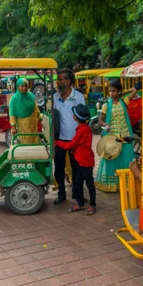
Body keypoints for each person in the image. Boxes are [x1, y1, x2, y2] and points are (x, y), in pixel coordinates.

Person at [96, 78, 137, 192]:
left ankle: (125, 185)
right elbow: (100, 121)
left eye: (114, 90)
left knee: (126, 158)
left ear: (118, 91)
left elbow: (134, 90)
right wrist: (105, 125)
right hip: (112, 136)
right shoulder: (106, 105)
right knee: (112, 158)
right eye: (110, 91)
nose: (111, 93)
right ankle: (111, 184)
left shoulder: (124, 101)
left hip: (124, 135)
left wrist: (122, 92)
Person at [55, 104, 96, 215]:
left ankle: (92, 205)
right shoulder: (83, 128)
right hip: (81, 160)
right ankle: (80, 203)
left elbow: (70, 145)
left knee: (89, 183)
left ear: (75, 117)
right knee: (77, 182)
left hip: (85, 162)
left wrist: (56, 142)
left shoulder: (82, 130)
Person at [53, 69, 86, 204]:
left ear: (68, 81)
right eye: (58, 79)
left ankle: (78, 194)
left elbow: (83, 117)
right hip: (59, 138)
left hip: (75, 138)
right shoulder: (55, 97)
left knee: (77, 168)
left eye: (60, 79)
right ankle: (61, 194)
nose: (58, 82)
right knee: (59, 167)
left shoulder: (78, 97)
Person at [9, 78, 41, 144]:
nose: (24, 88)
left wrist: (41, 118)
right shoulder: (14, 99)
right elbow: (12, 114)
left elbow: (36, 109)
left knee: (34, 145)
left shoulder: (31, 96)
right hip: (22, 127)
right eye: (22, 86)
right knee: (24, 146)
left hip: (33, 126)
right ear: (18, 87)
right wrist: (13, 126)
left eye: (26, 86)